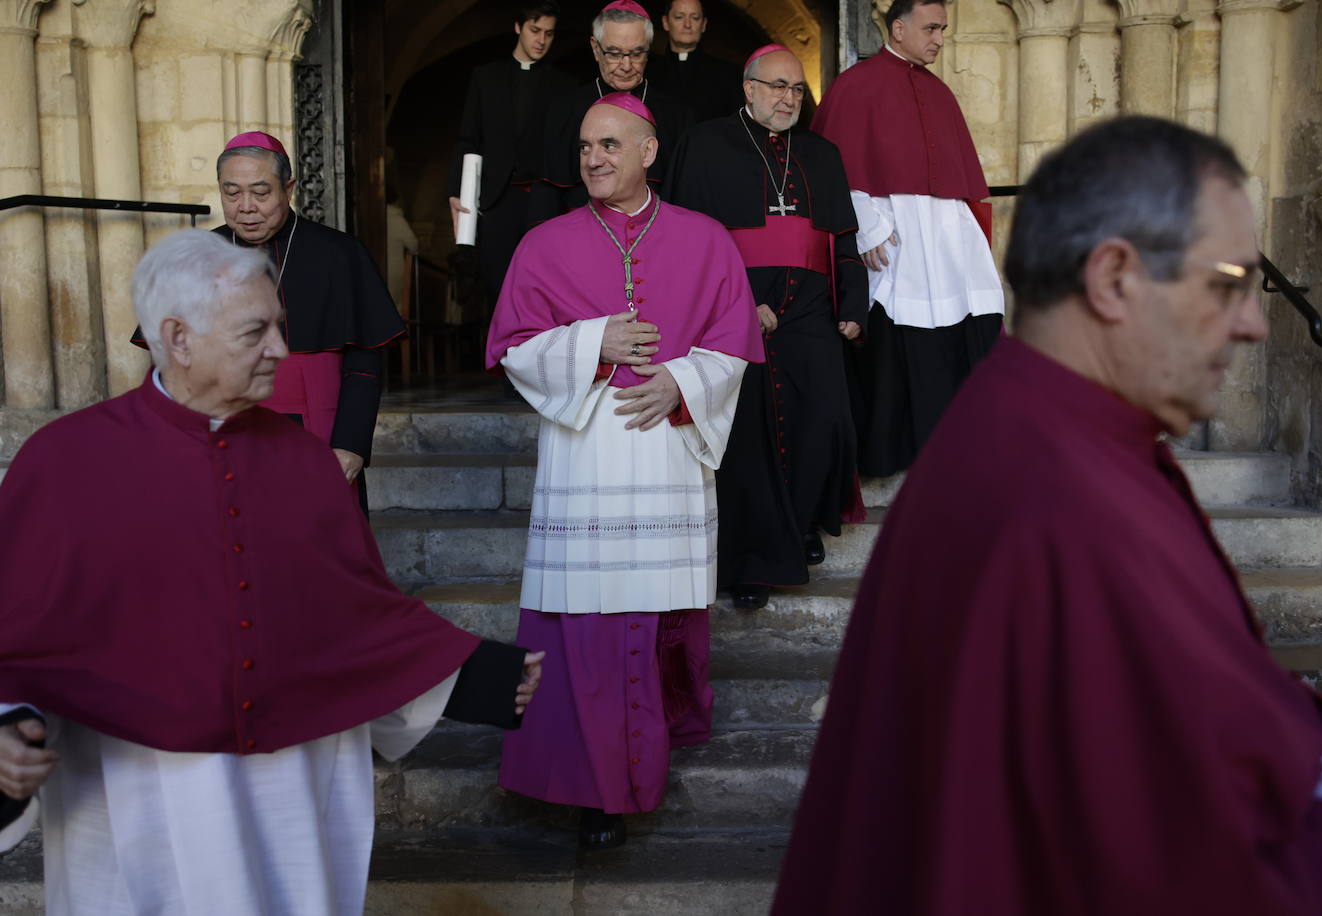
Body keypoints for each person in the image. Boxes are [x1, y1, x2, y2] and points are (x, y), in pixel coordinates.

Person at [771, 117, 1322, 915]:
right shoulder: (1059, 501)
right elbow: (1175, 873)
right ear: (1116, 277)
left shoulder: (1048, 437)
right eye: (1229, 282)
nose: (1254, 322)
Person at [0, 229, 544, 915]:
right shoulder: (64, 463)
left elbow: (354, 614)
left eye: (279, 328)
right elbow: (16, 630)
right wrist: (8, 727)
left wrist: (469, 676)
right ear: (178, 337)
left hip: (290, 784)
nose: (283, 352)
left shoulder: (306, 462)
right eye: (257, 332)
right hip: (134, 794)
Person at [488, 93, 762, 850]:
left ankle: (649, 756)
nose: (594, 159)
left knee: (654, 619)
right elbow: (513, 347)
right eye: (584, 147)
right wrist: (592, 344)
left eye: (610, 145)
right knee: (585, 627)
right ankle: (594, 784)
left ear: (648, 151)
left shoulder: (705, 241)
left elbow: (733, 344)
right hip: (585, 455)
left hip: (668, 451)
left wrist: (683, 383)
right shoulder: (543, 246)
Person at [665, 44, 867, 610]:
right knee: (748, 434)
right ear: (748, 89)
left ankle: (799, 524)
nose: (789, 99)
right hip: (733, 309)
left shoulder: (821, 154)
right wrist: (736, 305)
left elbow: (841, 239)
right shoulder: (704, 145)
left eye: (798, 89)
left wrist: (852, 305)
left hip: (809, 310)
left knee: (821, 418)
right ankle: (749, 561)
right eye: (777, 87)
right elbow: (686, 243)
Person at [133, 131, 404, 510]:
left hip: (318, 426)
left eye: (261, 193)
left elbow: (364, 363)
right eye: (231, 193)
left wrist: (351, 445)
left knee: (315, 544)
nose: (246, 206)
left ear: (288, 187)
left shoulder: (339, 254)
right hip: (220, 425)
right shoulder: (194, 261)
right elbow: (170, 364)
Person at [811, 0, 1004, 477]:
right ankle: (895, 451)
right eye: (931, 27)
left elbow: (961, 179)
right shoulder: (856, 85)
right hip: (892, 229)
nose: (939, 38)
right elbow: (835, 167)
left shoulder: (940, 93)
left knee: (969, 322)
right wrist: (865, 224)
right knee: (895, 338)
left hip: (945, 234)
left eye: (944, 29)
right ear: (898, 28)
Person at [446, 2, 574, 307]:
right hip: (496, 202)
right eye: (534, 30)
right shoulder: (485, 78)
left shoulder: (564, 85)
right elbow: (468, 138)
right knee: (496, 289)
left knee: (541, 292)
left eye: (549, 33)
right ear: (518, 27)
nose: (541, 40)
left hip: (542, 204)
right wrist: (455, 193)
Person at [529, 0, 689, 223]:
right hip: (582, 236)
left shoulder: (674, 113)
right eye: (614, 53)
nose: (626, 65)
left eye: (636, 54)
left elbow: (682, 195)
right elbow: (547, 193)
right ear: (596, 49)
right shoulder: (565, 108)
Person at [653, 0, 741, 124]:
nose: (687, 24)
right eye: (679, 17)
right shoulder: (649, 72)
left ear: (704, 24)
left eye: (695, 18)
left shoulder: (728, 74)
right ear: (666, 22)